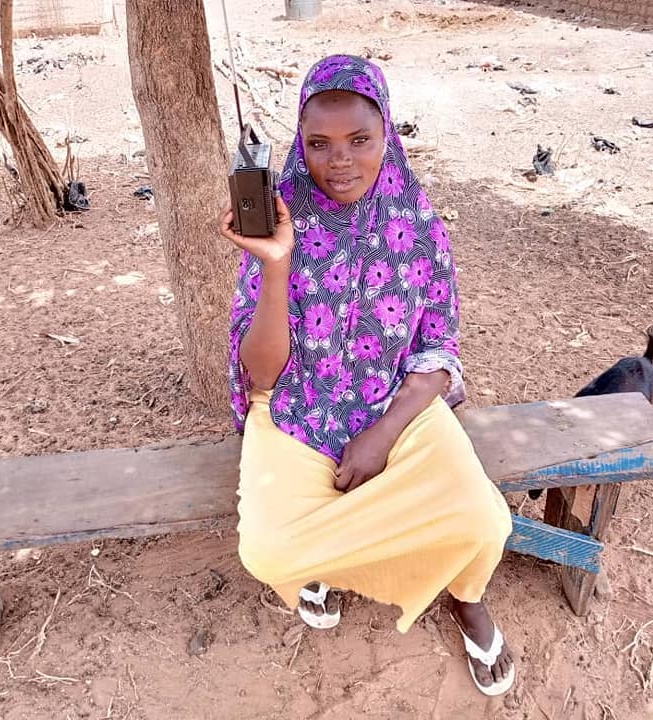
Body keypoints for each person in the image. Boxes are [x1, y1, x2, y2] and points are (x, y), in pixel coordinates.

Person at [219, 55, 515, 696]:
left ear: (389, 138)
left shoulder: (419, 226)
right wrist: (275, 264)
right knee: (268, 552)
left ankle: (464, 593)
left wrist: (382, 434)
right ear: (300, 143)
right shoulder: (281, 218)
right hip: (297, 408)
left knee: (485, 523)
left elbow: (437, 351)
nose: (340, 161)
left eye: (360, 141)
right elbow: (262, 375)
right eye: (319, 144)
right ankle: (330, 560)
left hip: (396, 405)